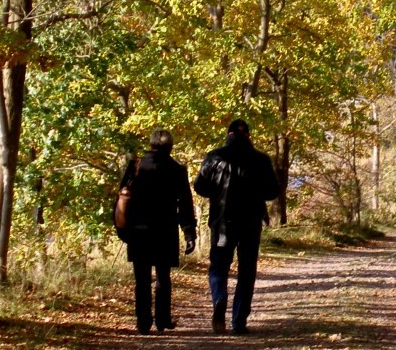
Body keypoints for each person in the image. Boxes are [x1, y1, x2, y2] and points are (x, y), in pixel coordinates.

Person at [193, 119, 280, 335]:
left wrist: (218, 193)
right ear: (248, 136)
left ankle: (219, 297)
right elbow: (272, 191)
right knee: (247, 270)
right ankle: (239, 320)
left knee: (218, 266)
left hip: (222, 220)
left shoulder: (214, 157)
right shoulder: (261, 159)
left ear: (228, 134)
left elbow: (200, 187)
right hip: (250, 221)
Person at [120, 129, 196, 335]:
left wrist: (122, 229)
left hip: (139, 231)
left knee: (141, 278)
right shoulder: (177, 170)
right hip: (165, 230)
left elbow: (122, 198)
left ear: (151, 144)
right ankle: (162, 319)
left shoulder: (135, 166)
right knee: (163, 277)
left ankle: (143, 322)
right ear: (170, 147)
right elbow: (185, 205)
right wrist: (189, 233)